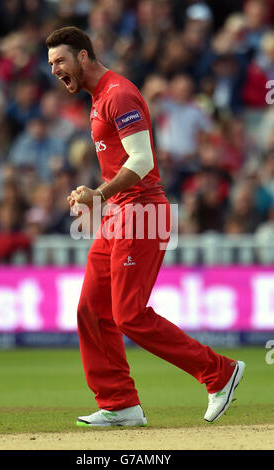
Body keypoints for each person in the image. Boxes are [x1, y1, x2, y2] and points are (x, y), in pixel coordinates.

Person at [46, 26, 245, 427]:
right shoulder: (99, 97)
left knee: (129, 315)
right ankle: (119, 404)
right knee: (91, 309)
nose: (55, 71)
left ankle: (219, 372)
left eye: (60, 61)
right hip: (120, 214)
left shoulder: (118, 93)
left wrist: (97, 195)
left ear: (84, 56)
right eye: (51, 65)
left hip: (141, 213)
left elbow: (142, 162)